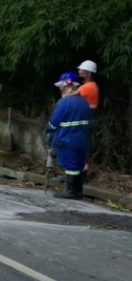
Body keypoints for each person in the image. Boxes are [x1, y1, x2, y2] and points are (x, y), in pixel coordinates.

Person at [46, 72, 91, 200]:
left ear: (65, 86)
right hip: (82, 140)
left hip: (66, 139)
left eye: (61, 86)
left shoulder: (64, 102)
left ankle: (71, 192)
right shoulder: (84, 101)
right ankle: (78, 191)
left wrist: (49, 130)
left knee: (70, 165)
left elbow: (53, 122)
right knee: (78, 165)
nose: (60, 89)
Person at [77, 60, 98, 181]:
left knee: (78, 146)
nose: (79, 72)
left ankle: (79, 174)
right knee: (84, 147)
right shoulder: (94, 86)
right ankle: (83, 173)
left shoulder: (86, 87)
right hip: (89, 118)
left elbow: (72, 100)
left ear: (88, 73)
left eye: (82, 71)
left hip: (83, 119)